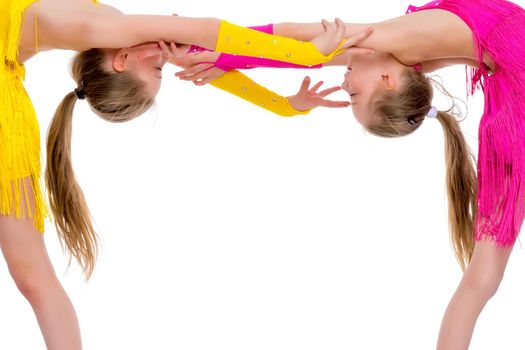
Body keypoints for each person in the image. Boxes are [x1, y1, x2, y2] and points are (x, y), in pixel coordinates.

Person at [1, 0, 368, 348]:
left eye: (157, 69)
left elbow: (210, 33)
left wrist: (307, 58)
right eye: (161, 68)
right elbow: (217, 43)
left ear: (121, 60)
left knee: (33, 274)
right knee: (33, 276)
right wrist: (286, 101)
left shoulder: (102, 26)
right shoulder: (103, 26)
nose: (167, 61)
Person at [171, 1, 525, 348]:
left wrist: (218, 57)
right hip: (515, 83)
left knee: (483, 279)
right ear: (387, 80)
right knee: (482, 279)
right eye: (355, 93)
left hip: (513, 85)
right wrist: (214, 53)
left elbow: (308, 53)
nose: (343, 85)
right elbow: (297, 40)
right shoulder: (402, 43)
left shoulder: (401, 54)